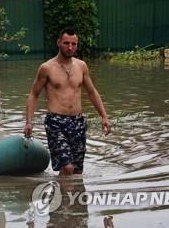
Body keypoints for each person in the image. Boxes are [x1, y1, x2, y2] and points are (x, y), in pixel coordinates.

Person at [24, 28, 111, 175]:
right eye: (66, 43)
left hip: (77, 121)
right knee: (67, 167)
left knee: (77, 171)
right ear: (58, 43)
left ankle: (69, 197)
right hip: (55, 122)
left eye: (74, 44)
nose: (70, 47)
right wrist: (29, 121)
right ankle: (62, 195)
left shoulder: (81, 66)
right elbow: (33, 94)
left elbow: (91, 92)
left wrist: (104, 116)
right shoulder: (47, 68)